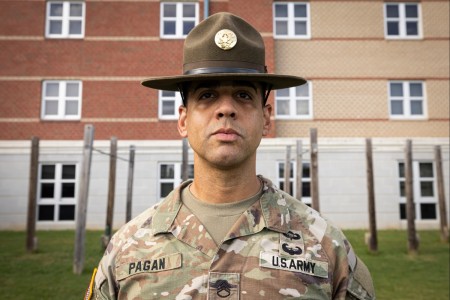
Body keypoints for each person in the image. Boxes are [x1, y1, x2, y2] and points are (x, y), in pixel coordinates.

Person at [86, 12, 375, 300]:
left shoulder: (326, 246)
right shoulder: (127, 248)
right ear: (183, 120)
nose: (226, 109)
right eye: (207, 96)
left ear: (266, 118)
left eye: (243, 95)